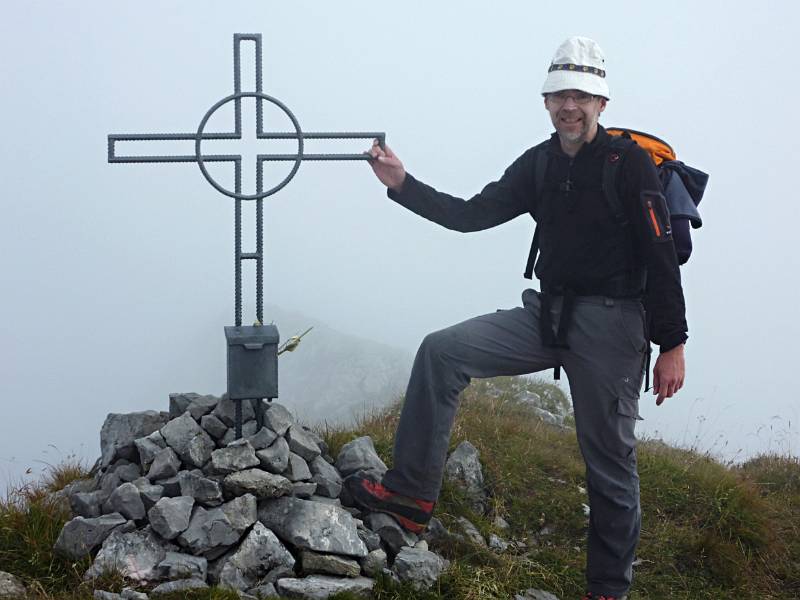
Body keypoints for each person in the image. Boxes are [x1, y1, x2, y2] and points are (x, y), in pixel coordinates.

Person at [346, 36, 687, 600]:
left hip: (613, 325)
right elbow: (470, 214)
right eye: (558, 96)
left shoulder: (629, 166)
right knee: (442, 350)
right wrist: (402, 185)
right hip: (547, 315)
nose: (569, 107)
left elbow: (661, 252)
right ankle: (409, 498)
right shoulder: (540, 162)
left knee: (608, 461)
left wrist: (672, 343)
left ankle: (607, 588)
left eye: (581, 96)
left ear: (603, 104)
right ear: (546, 101)